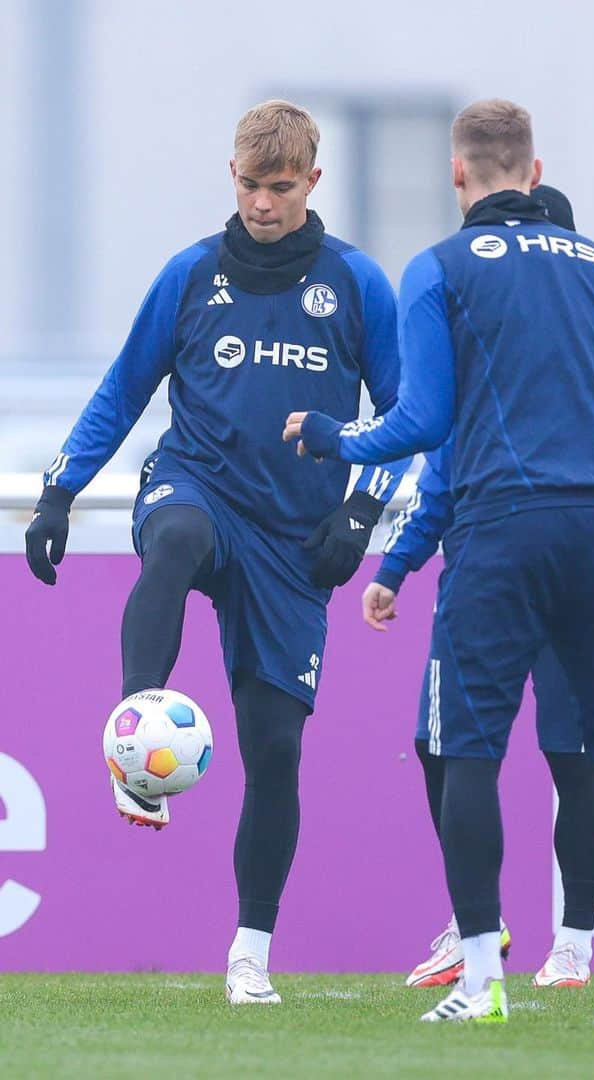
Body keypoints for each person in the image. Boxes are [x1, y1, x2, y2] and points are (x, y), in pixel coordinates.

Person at [284, 98, 594, 1024]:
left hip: (503, 530)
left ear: (459, 174)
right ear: (535, 172)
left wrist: (332, 438)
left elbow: (422, 424)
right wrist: (589, 452)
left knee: (468, 752)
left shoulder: (439, 268)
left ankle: (480, 980)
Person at [24, 100, 408, 1006]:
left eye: (280, 188)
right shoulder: (192, 275)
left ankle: (249, 955)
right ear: (229, 174)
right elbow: (124, 388)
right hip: (196, 482)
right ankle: (135, 747)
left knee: (274, 750)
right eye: (248, 184)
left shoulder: (358, 286)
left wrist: (361, 512)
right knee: (178, 541)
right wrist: (59, 489)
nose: (262, 204)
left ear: (313, 183)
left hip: (294, 536)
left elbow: (410, 421)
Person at [363, 186, 594, 990]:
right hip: (485, 561)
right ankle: (483, 930)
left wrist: (336, 441)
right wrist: (396, 567)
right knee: (440, 746)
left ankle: (571, 940)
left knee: (573, 758)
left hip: (524, 556)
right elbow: (441, 476)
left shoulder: (558, 354)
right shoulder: (492, 359)